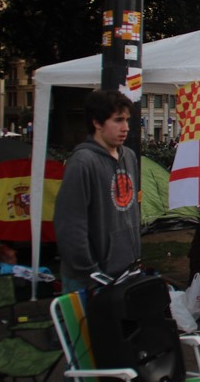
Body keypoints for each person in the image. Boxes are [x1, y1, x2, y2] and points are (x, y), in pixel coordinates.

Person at [54, 89, 140, 292]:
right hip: (88, 280)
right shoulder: (82, 162)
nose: (125, 128)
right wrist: (90, 271)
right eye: (118, 120)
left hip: (125, 271)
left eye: (127, 120)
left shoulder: (129, 156)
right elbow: (70, 225)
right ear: (97, 123)